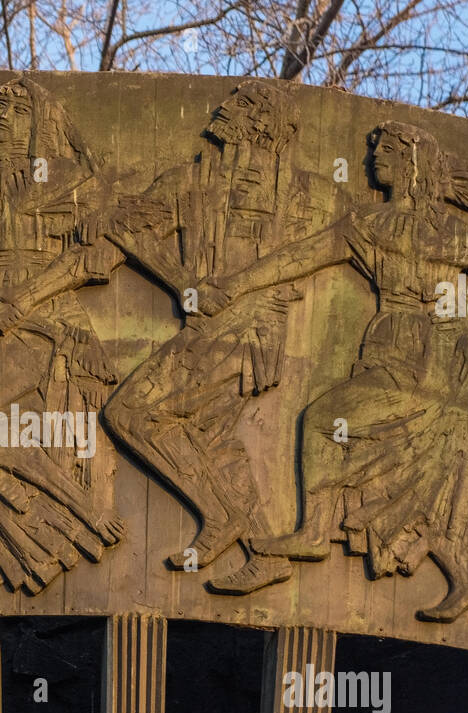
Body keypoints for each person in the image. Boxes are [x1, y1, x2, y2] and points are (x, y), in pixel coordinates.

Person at [198, 120, 468, 621]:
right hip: (390, 356)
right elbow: (298, 259)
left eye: (386, 151)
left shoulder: (452, 235)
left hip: (425, 364)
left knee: (325, 420)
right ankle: (465, 577)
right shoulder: (368, 225)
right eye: (374, 153)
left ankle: (312, 533)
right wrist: (237, 284)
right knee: (402, 474)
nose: (373, 162)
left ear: (414, 164)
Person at [101, 80, 332, 595]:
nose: (225, 109)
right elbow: (123, 222)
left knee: (131, 413)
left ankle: (222, 517)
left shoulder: (304, 193)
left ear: (265, 124)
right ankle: (262, 548)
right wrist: (181, 281)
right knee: (214, 440)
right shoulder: (193, 180)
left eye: (243, 105)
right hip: (206, 327)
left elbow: (360, 230)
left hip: (250, 334)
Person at [0, 78, 125, 594]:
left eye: (17, 107)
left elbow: (96, 253)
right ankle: (35, 545)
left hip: (46, 315)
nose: (2, 114)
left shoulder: (67, 177)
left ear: (40, 121)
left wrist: (25, 299)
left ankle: (79, 511)